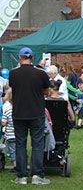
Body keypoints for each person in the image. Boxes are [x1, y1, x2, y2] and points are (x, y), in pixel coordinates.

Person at [9, 47, 51, 185]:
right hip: (36, 112)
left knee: (20, 144)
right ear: (32, 58)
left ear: (19, 58)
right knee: (37, 144)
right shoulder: (41, 73)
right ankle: (37, 176)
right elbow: (46, 91)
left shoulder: (13, 73)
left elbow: (13, 90)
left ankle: (21, 176)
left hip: (19, 113)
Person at [2, 89, 16, 173]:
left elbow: (3, 123)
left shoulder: (7, 111)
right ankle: (23, 165)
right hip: (19, 134)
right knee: (21, 149)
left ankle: (15, 166)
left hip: (10, 135)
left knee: (12, 151)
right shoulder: (20, 110)